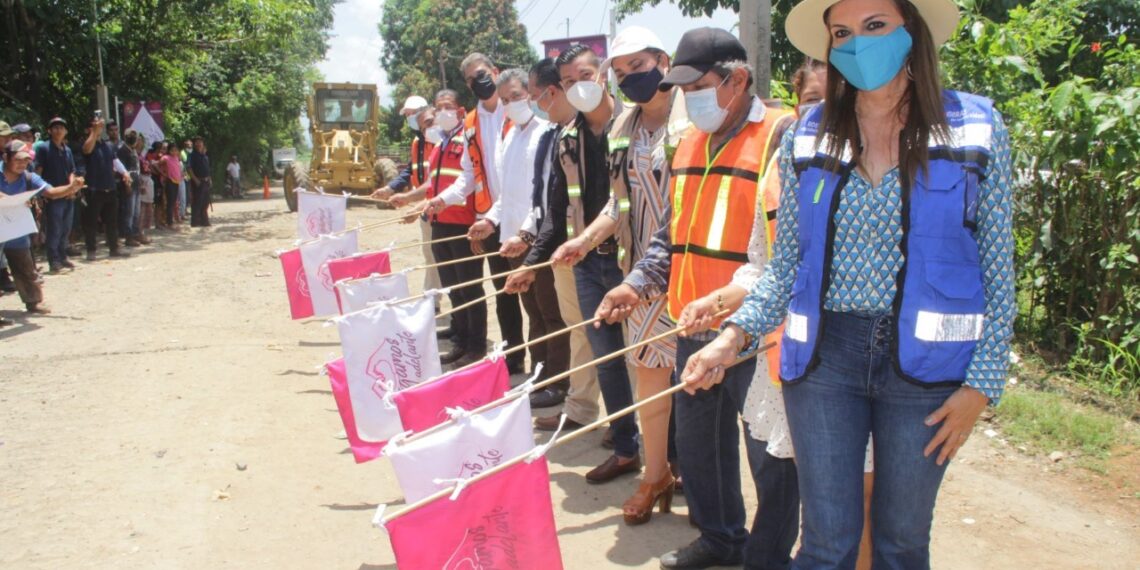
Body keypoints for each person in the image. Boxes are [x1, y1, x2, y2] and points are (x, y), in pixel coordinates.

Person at [684, 0, 1015, 567]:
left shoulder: (976, 125)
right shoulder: (806, 135)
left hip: (928, 372)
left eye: (875, 26)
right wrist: (731, 337)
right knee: (826, 542)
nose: (858, 43)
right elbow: (786, 266)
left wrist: (981, 386)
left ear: (912, 32)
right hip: (824, 364)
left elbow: (997, 270)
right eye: (842, 32)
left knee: (901, 541)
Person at [596, 27, 797, 568]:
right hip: (692, 323)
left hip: (756, 330)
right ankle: (719, 538)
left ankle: (767, 555)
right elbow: (669, 233)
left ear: (738, 80)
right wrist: (634, 283)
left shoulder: (783, 133)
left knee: (770, 456)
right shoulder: (688, 142)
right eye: (682, 89)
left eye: (700, 86)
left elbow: (792, 246)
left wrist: (745, 315)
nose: (690, 99)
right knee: (702, 448)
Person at [550, 26, 692, 525]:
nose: (633, 76)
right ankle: (654, 473)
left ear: (664, 59)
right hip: (640, 273)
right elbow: (620, 200)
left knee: (696, 383)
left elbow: (690, 209)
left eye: (640, 65)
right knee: (650, 375)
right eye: (624, 69)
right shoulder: (626, 126)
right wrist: (583, 240)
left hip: (690, 270)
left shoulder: (695, 117)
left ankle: (698, 481)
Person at [547, 43, 643, 484]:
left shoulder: (636, 123)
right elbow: (560, 201)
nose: (577, 86)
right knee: (606, 358)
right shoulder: (565, 139)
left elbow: (623, 203)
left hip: (633, 260)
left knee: (649, 357)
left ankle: (668, 455)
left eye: (584, 75)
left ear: (602, 74)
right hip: (587, 262)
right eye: (568, 81)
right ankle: (626, 448)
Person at [504, 58, 604, 428]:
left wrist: (536, 255)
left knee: (607, 337)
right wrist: (529, 244)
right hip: (562, 250)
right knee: (576, 330)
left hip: (597, 250)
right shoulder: (555, 136)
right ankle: (579, 409)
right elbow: (546, 202)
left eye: (534, 96)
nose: (534, 103)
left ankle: (629, 430)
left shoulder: (603, 129)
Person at [429, 52, 526, 374]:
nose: (478, 81)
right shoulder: (470, 122)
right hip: (489, 219)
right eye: (471, 79)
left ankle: (521, 359)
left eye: (482, 73)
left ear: (495, 71)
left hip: (522, 218)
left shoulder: (516, 110)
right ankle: (497, 354)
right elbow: (469, 176)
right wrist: (443, 199)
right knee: (493, 290)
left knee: (520, 294)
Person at [489, 68, 571, 402]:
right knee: (533, 313)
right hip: (513, 241)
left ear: (532, 94)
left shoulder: (545, 133)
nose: (512, 104)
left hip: (536, 239)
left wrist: (526, 234)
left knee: (552, 313)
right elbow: (507, 196)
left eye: (518, 96)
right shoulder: (510, 134)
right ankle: (539, 376)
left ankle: (557, 382)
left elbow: (544, 199)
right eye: (505, 100)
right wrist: (491, 221)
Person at [404, 90, 488, 368]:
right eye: (438, 108)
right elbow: (434, 185)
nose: (442, 113)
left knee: (469, 289)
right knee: (453, 288)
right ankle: (461, 341)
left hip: (463, 224)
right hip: (439, 223)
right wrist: (415, 204)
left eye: (448, 107)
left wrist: (479, 221)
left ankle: (476, 347)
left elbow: (473, 182)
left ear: (460, 109)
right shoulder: (440, 143)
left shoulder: (468, 139)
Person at [373, 95, 445, 309]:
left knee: (441, 256)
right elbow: (411, 171)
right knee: (430, 254)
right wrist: (390, 188)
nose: (409, 119)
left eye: (411, 115)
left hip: (439, 205)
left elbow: (438, 182)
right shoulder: (419, 142)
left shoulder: (441, 140)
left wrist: (411, 202)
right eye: (407, 116)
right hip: (426, 205)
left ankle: (435, 301)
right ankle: (432, 299)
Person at [1, 140, 84, 315]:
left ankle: (33, 302)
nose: (22, 164)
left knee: (25, 267)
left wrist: (71, 187)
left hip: (16, 229)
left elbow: (51, 192)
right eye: (18, 159)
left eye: (25, 160)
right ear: (6, 157)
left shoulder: (29, 177)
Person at [82, 118, 132, 260]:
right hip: (94, 189)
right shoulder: (88, 144)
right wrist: (94, 132)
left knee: (112, 222)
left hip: (110, 188)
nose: (99, 128)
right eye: (94, 126)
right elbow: (87, 149)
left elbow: (115, 161)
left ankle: (114, 248)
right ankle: (91, 250)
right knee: (91, 222)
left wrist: (125, 173)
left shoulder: (107, 145)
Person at [34, 118, 79, 272]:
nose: (58, 130)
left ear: (66, 131)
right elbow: (38, 171)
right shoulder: (44, 148)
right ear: (49, 131)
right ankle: (53, 259)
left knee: (66, 227)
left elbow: (72, 171)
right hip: (52, 195)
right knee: (54, 228)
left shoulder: (67, 150)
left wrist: (72, 188)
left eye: (61, 128)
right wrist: (38, 195)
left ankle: (62, 255)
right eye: (55, 127)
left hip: (67, 195)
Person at [113, 128, 143, 246]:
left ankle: (136, 234)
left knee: (136, 212)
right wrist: (127, 185)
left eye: (135, 135)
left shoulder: (133, 150)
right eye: (131, 135)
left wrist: (139, 182)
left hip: (136, 184)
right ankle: (128, 236)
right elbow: (121, 170)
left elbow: (136, 168)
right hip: (128, 185)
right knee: (128, 212)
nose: (133, 137)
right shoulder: (122, 150)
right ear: (125, 136)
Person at [188, 137, 211, 227]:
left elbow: (207, 169)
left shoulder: (205, 156)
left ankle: (204, 221)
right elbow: (189, 168)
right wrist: (195, 179)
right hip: (198, 181)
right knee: (197, 202)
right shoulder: (192, 155)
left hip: (206, 181)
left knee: (205, 202)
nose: (198, 144)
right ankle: (195, 222)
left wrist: (210, 179)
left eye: (200, 142)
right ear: (194, 144)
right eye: (196, 142)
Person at [161, 141, 184, 229]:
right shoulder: (165, 158)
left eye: (176, 150)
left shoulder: (177, 158)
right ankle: (169, 222)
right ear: (169, 151)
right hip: (170, 182)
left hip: (177, 182)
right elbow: (158, 164)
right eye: (172, 150)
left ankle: (171, 220)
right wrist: (164, 174)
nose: (174, 152)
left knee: (174, 202)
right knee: (170, 203)